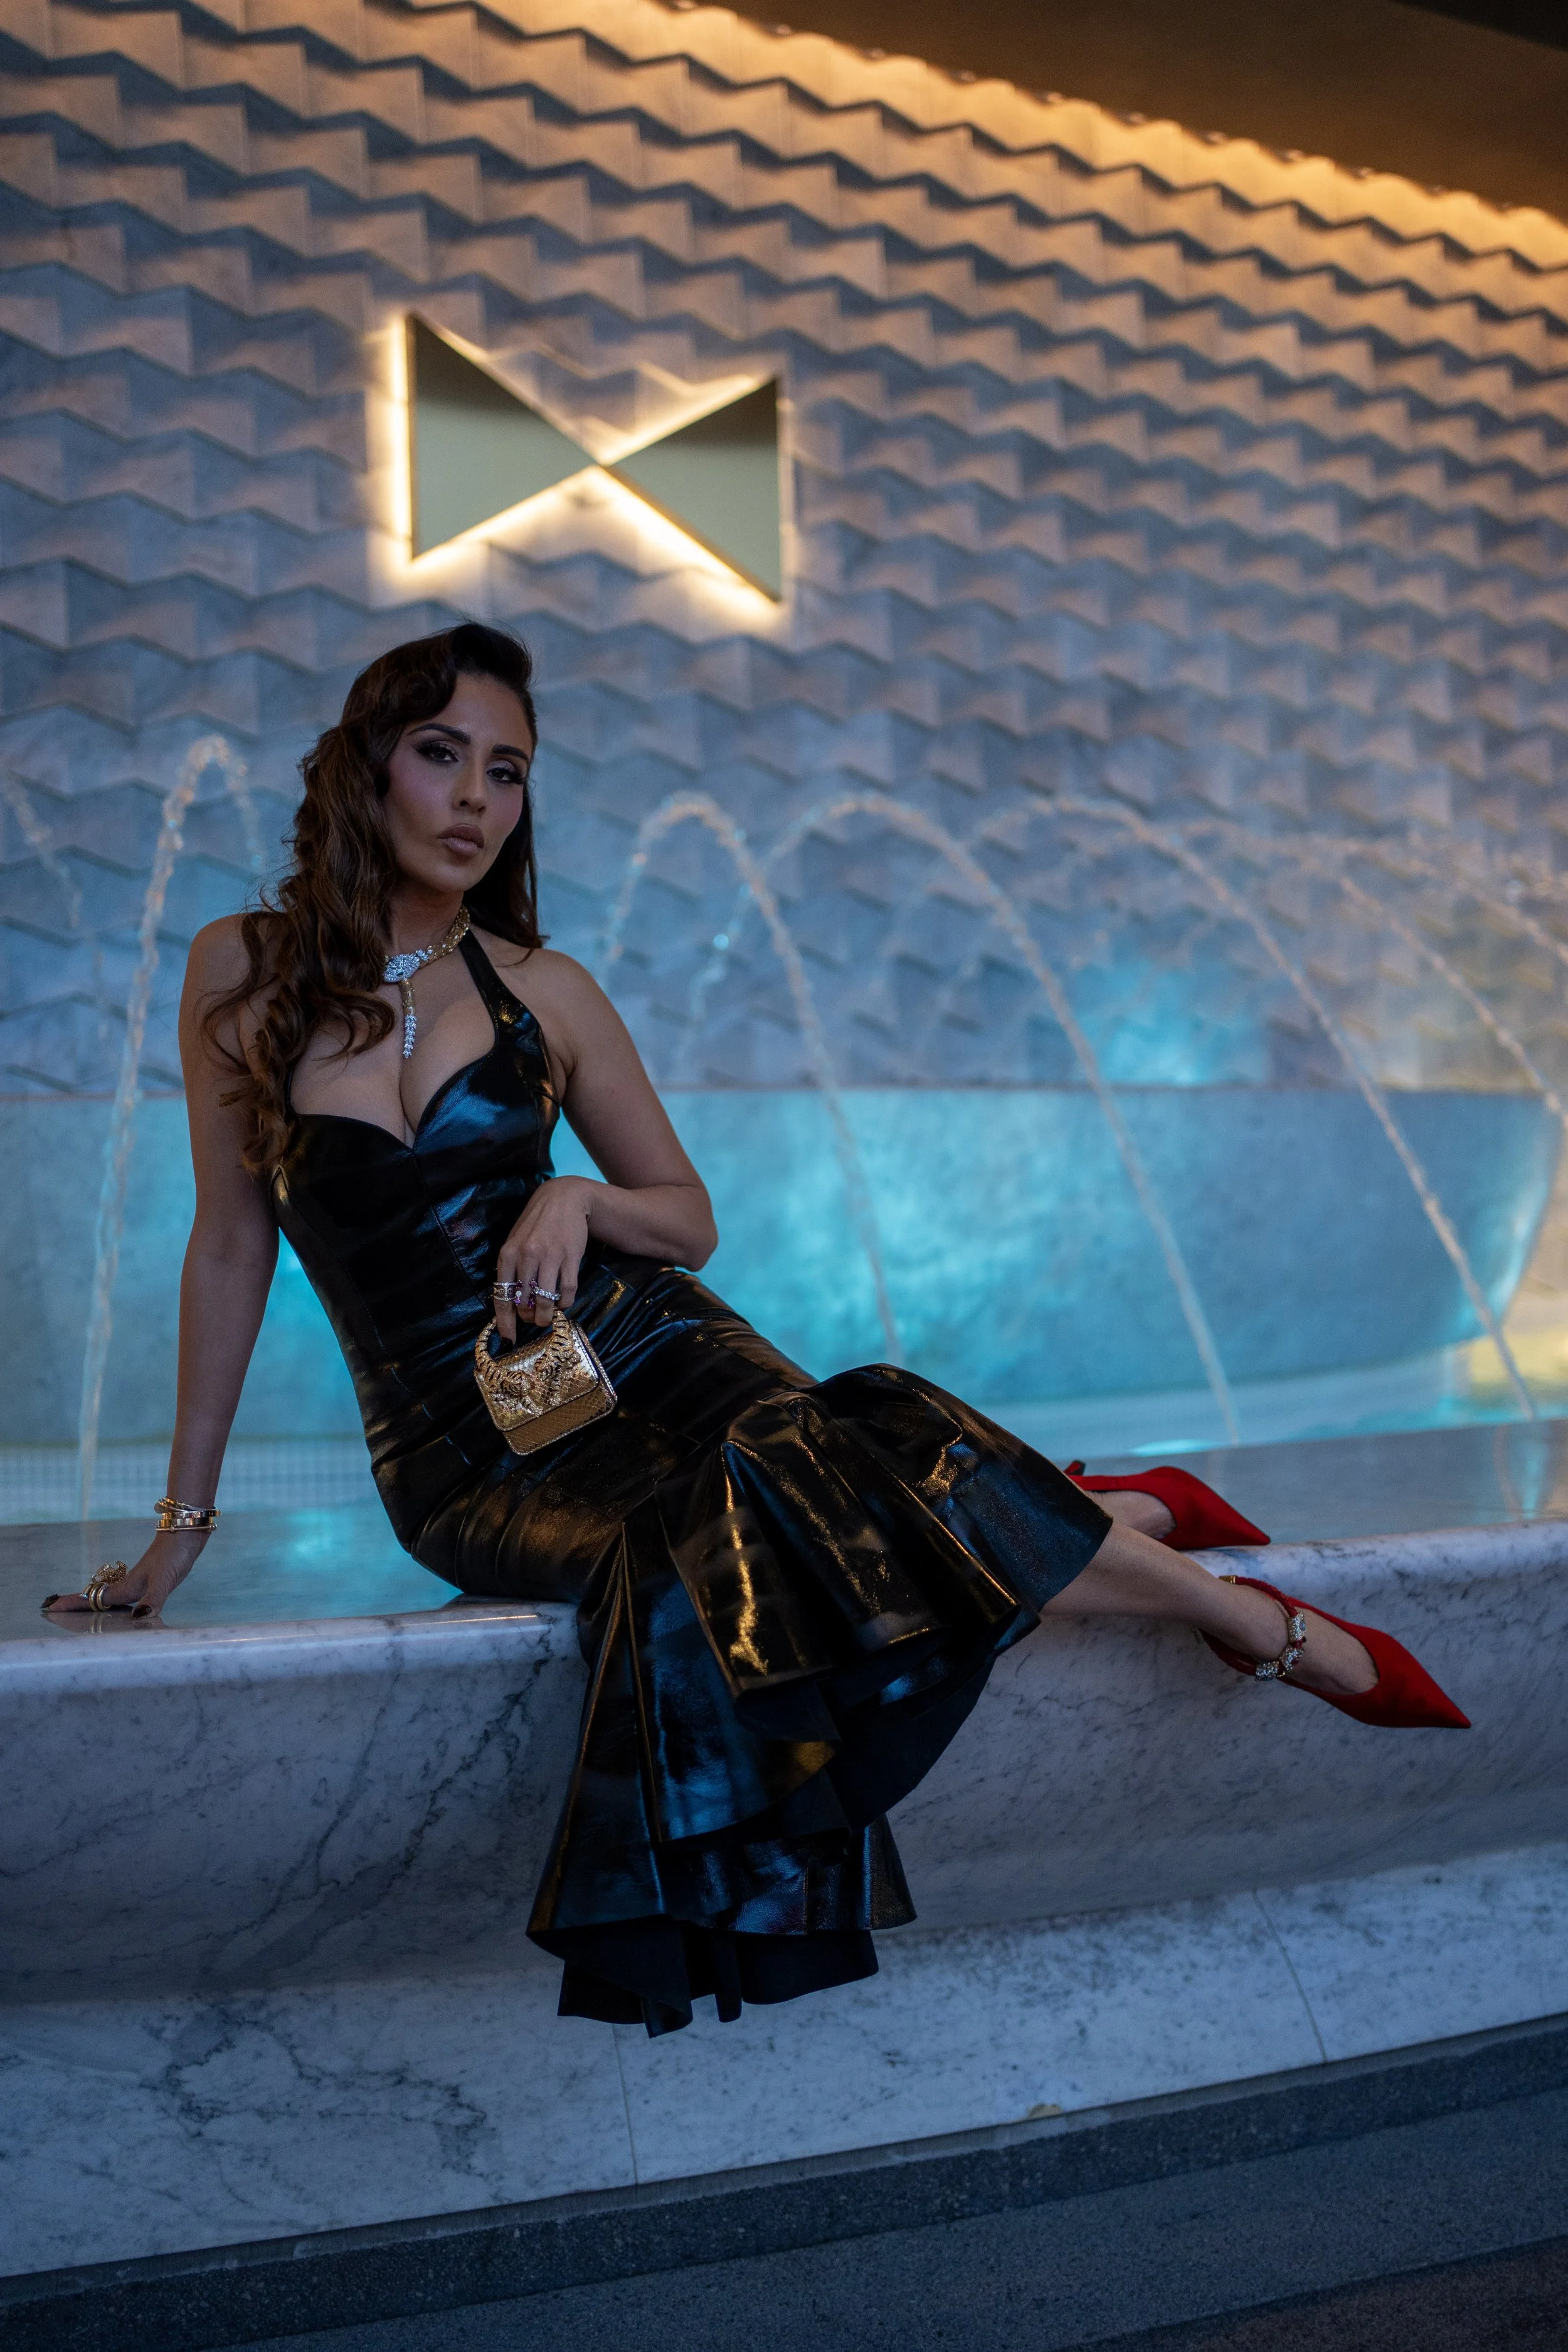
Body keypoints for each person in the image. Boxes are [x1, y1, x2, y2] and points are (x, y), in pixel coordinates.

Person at [44, 625, 1469, 2037]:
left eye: (509, 771)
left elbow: (688, 1219)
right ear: (365, 766)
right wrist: (183, 1526)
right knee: (730, 1522)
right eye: (441, 755)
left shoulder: (545, 990)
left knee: (802, 1445)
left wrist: (578, 1197)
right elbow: (228, 1244)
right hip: (466, 1453)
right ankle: (1125, 1516)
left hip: (646, 1346)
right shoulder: (242, 974)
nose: (476, 798)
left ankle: (1245, 1619)